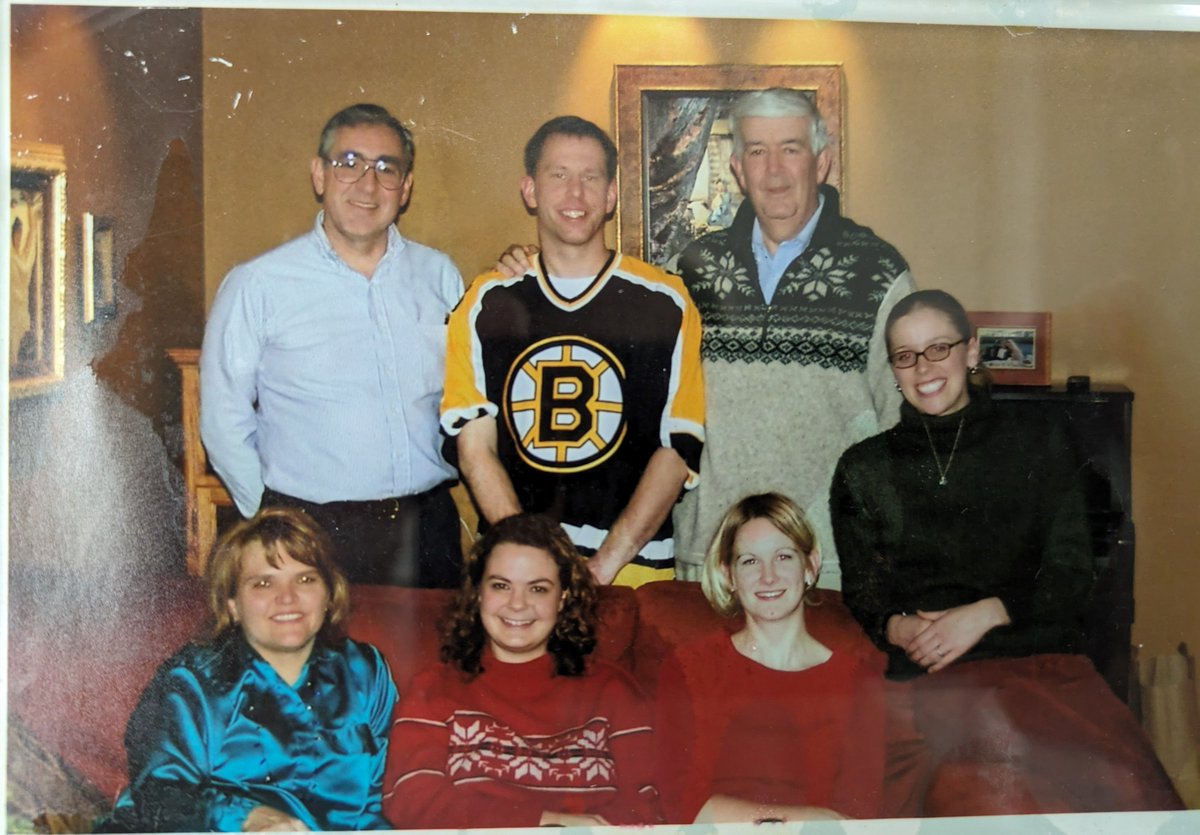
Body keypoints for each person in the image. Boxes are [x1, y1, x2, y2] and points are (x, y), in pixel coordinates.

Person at [830, 288, 1181, 815]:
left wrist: (985, 614)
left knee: (1116, 795)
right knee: (976, 794)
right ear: (894, 370)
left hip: (1035, 661)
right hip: (927, 682)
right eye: (906, 355)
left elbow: (1072, 573)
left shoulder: (1041, 443)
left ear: (971, 352)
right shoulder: (863, 470)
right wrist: (900, 628)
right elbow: (863, 594)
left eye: (939, 348)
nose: (923, 367)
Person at [201, 103, 464, 587]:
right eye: (349, 163)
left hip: (427, 531)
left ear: (405, 188)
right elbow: (222, 421)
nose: (368, 184)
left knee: (428, 663)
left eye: (387, 168)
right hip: (309, 536)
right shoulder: (258, 284)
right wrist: (271, 519)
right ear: (319, 175)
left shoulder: (440, 276)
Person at [441, 116, 705, 587]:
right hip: (515, 570)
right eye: (558, 175)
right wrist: (533, 564)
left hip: (632, 565)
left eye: (591, 177)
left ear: (611, 195)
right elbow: (474, 447)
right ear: (530, 190)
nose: (575, 194)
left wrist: (601, 569)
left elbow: (678, 448)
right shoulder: (487, 302)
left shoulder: (665, 302)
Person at [670, 88, 916, 589]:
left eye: (791, 149)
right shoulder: (688, 270)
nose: (774, 171)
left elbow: (904, 428)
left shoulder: (879, 272)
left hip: (829, 562)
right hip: (711, 559)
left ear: (822, 162)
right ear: (737, 169)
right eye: (757, 151)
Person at [100, 508, 398, 832]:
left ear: (329, 592)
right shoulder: (192, 680)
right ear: (232, 605)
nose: (287, 598)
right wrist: (245, 817)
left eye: (305, 578)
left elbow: (370, 808)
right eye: (263, 583)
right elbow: (159, 795)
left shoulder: (365, 670)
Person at [382, 513, 662, 828]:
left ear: (563, 597)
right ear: (477, 593)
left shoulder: (613, 689)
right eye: (501, 586)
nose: (518, 604)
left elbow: (646, 805)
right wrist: (545, 823)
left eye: (538, 589)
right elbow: (411, 800)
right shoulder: (432, 688)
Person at [654, 493, 884, 824]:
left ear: (811, 565)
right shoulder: (688, 668)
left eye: (784, 557)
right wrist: (808, 819)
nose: (768, 577)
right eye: (749, 561)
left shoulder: (859, 682)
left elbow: (857, 817)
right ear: (728, 575)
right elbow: (680, 805)